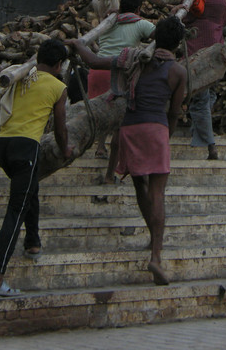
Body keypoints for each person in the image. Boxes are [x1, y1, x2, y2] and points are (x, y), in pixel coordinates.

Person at [70, 17, 187, 286]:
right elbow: (174, 113)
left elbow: (93, 62)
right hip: (156, 128)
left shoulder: (131, 59)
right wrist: (165, 137)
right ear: (179, 43)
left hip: (130, 129)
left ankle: (151, 234)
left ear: (155, 36)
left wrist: (78, 44)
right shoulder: (178, 72)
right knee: (158, 192)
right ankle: (156, 255)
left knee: (140, 187)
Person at [0, 38, 73, 297]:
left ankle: (33, 242)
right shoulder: (58, 86)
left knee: (29, 190)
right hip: (26, 148)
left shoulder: (22, 76)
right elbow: (60, 127)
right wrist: (65, 150)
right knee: (16, 208)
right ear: (58, 65)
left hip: (2, 145)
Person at [88, 0, 154, 166]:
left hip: (98, 70)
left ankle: (100, 146)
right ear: (138, 9)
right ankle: (115, 161)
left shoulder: (107, 22)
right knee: (119, 117)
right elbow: (160, 35)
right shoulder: (140, 24)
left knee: (100, 111)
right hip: (119, 71)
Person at [183, 0, 226, 160]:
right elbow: (224, 22)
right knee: (209, 95)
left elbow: (184, 21)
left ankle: (210, 145)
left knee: (200, 101)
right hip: (216, 56)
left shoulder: (192, 0)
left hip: (196, 56)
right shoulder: (220, 1)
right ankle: (199, 131)